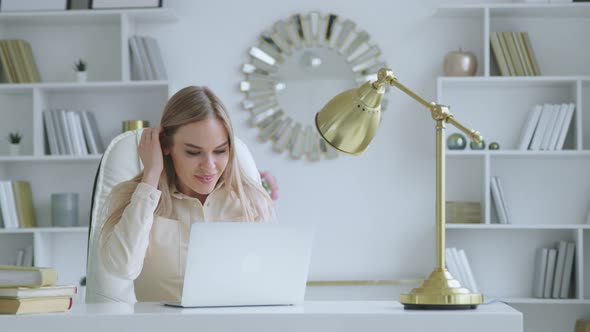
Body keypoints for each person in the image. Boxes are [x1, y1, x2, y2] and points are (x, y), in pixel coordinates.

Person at [98, 86, 275, 302]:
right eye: (193, 152)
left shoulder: (251, 202)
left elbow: (267, 287)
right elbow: (122, 268)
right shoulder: (134, 198)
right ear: (165, 146)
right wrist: (151, 175)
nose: (209, 166)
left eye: (220, 151)